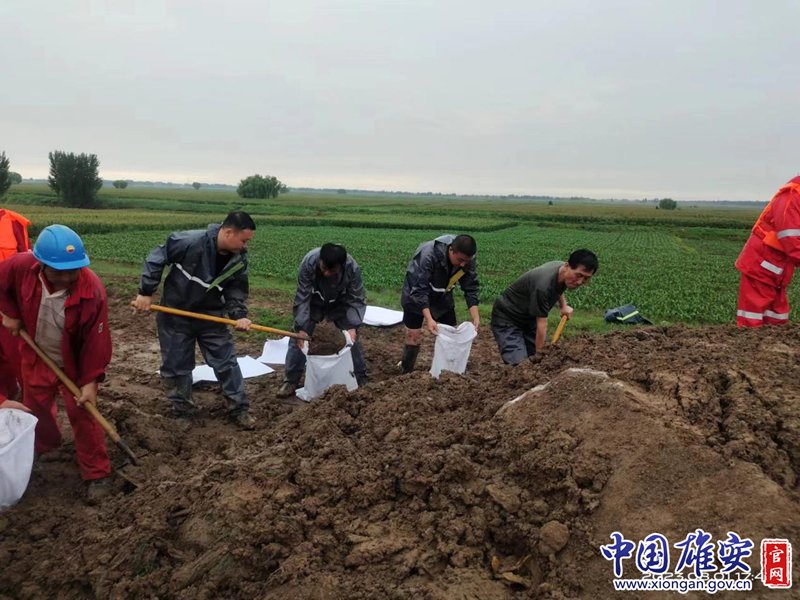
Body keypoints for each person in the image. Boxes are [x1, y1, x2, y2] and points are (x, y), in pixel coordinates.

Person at [0, 224, 113, 501]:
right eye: (58, 271)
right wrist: (11, 313)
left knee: (83, 413)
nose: (66, 278)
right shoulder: (20, 266)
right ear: (41, 264)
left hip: (73, 363)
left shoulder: (92, 291)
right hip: (36, 352)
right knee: (36, 406)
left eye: (72, 271)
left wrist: (90, 381)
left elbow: (96, 343)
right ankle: (46, 447)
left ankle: (97, 472)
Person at [132, 212, 257, 429]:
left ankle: (239, 409)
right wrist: (145, 291)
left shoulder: (238, 259)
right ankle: (182, 411)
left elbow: (236, 289)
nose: (245, 246)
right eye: (243, 240)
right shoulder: (190, 242)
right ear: (228, 232)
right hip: (175, 313)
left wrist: (239, 316)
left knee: (226, 362)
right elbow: (157, 257)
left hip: (211, 316)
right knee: (176, 365)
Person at [277, 243, 367, 398]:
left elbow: (356, 298)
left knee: (352, 339)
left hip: (340, 301)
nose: (326, 273)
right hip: (315, 300)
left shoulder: (352, 268)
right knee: (298, 338)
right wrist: (301, 327)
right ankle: (291, 380)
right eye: (324, 268)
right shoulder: (309, 262)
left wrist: (352, 326)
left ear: (341, 266)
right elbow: (302, 296)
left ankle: (360, 376)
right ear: (320, 260)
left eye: (332, 271)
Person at [491, 249, 598, 365]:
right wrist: (541, 359)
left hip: (528, 317)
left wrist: (563, 305)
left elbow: (558, 286)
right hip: (508, 318)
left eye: (586, 278)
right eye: (578, 275)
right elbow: (541, 325)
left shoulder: (562, 271)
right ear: (567, 265)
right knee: (520, 366)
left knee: (537, 355)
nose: (580, 282)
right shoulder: (542, 286)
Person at [398, 234, 480, 373]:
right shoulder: (428, 255)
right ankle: (406, 371)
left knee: (451, 334)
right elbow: (419, 291)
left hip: (442, 296)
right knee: (413, 335)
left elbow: (470, 287)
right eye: (460, 260)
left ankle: (449, 373)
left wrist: (475, 317)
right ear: (451, 250)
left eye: (466, 261)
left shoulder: (467, 259)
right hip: (415, 295)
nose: (462, 265)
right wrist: (429, 319)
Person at [735, 176, 800, 327]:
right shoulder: (792, 195)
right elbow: (791, 240)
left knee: (777, 317)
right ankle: (749, 340)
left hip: (778, 268)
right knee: (752, 317)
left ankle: (774, 340)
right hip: (761, 265)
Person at [0, 209, 31, 400]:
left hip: (10, 307)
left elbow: (27, 265)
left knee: (20, 357)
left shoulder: (13, 223)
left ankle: (30, 400)